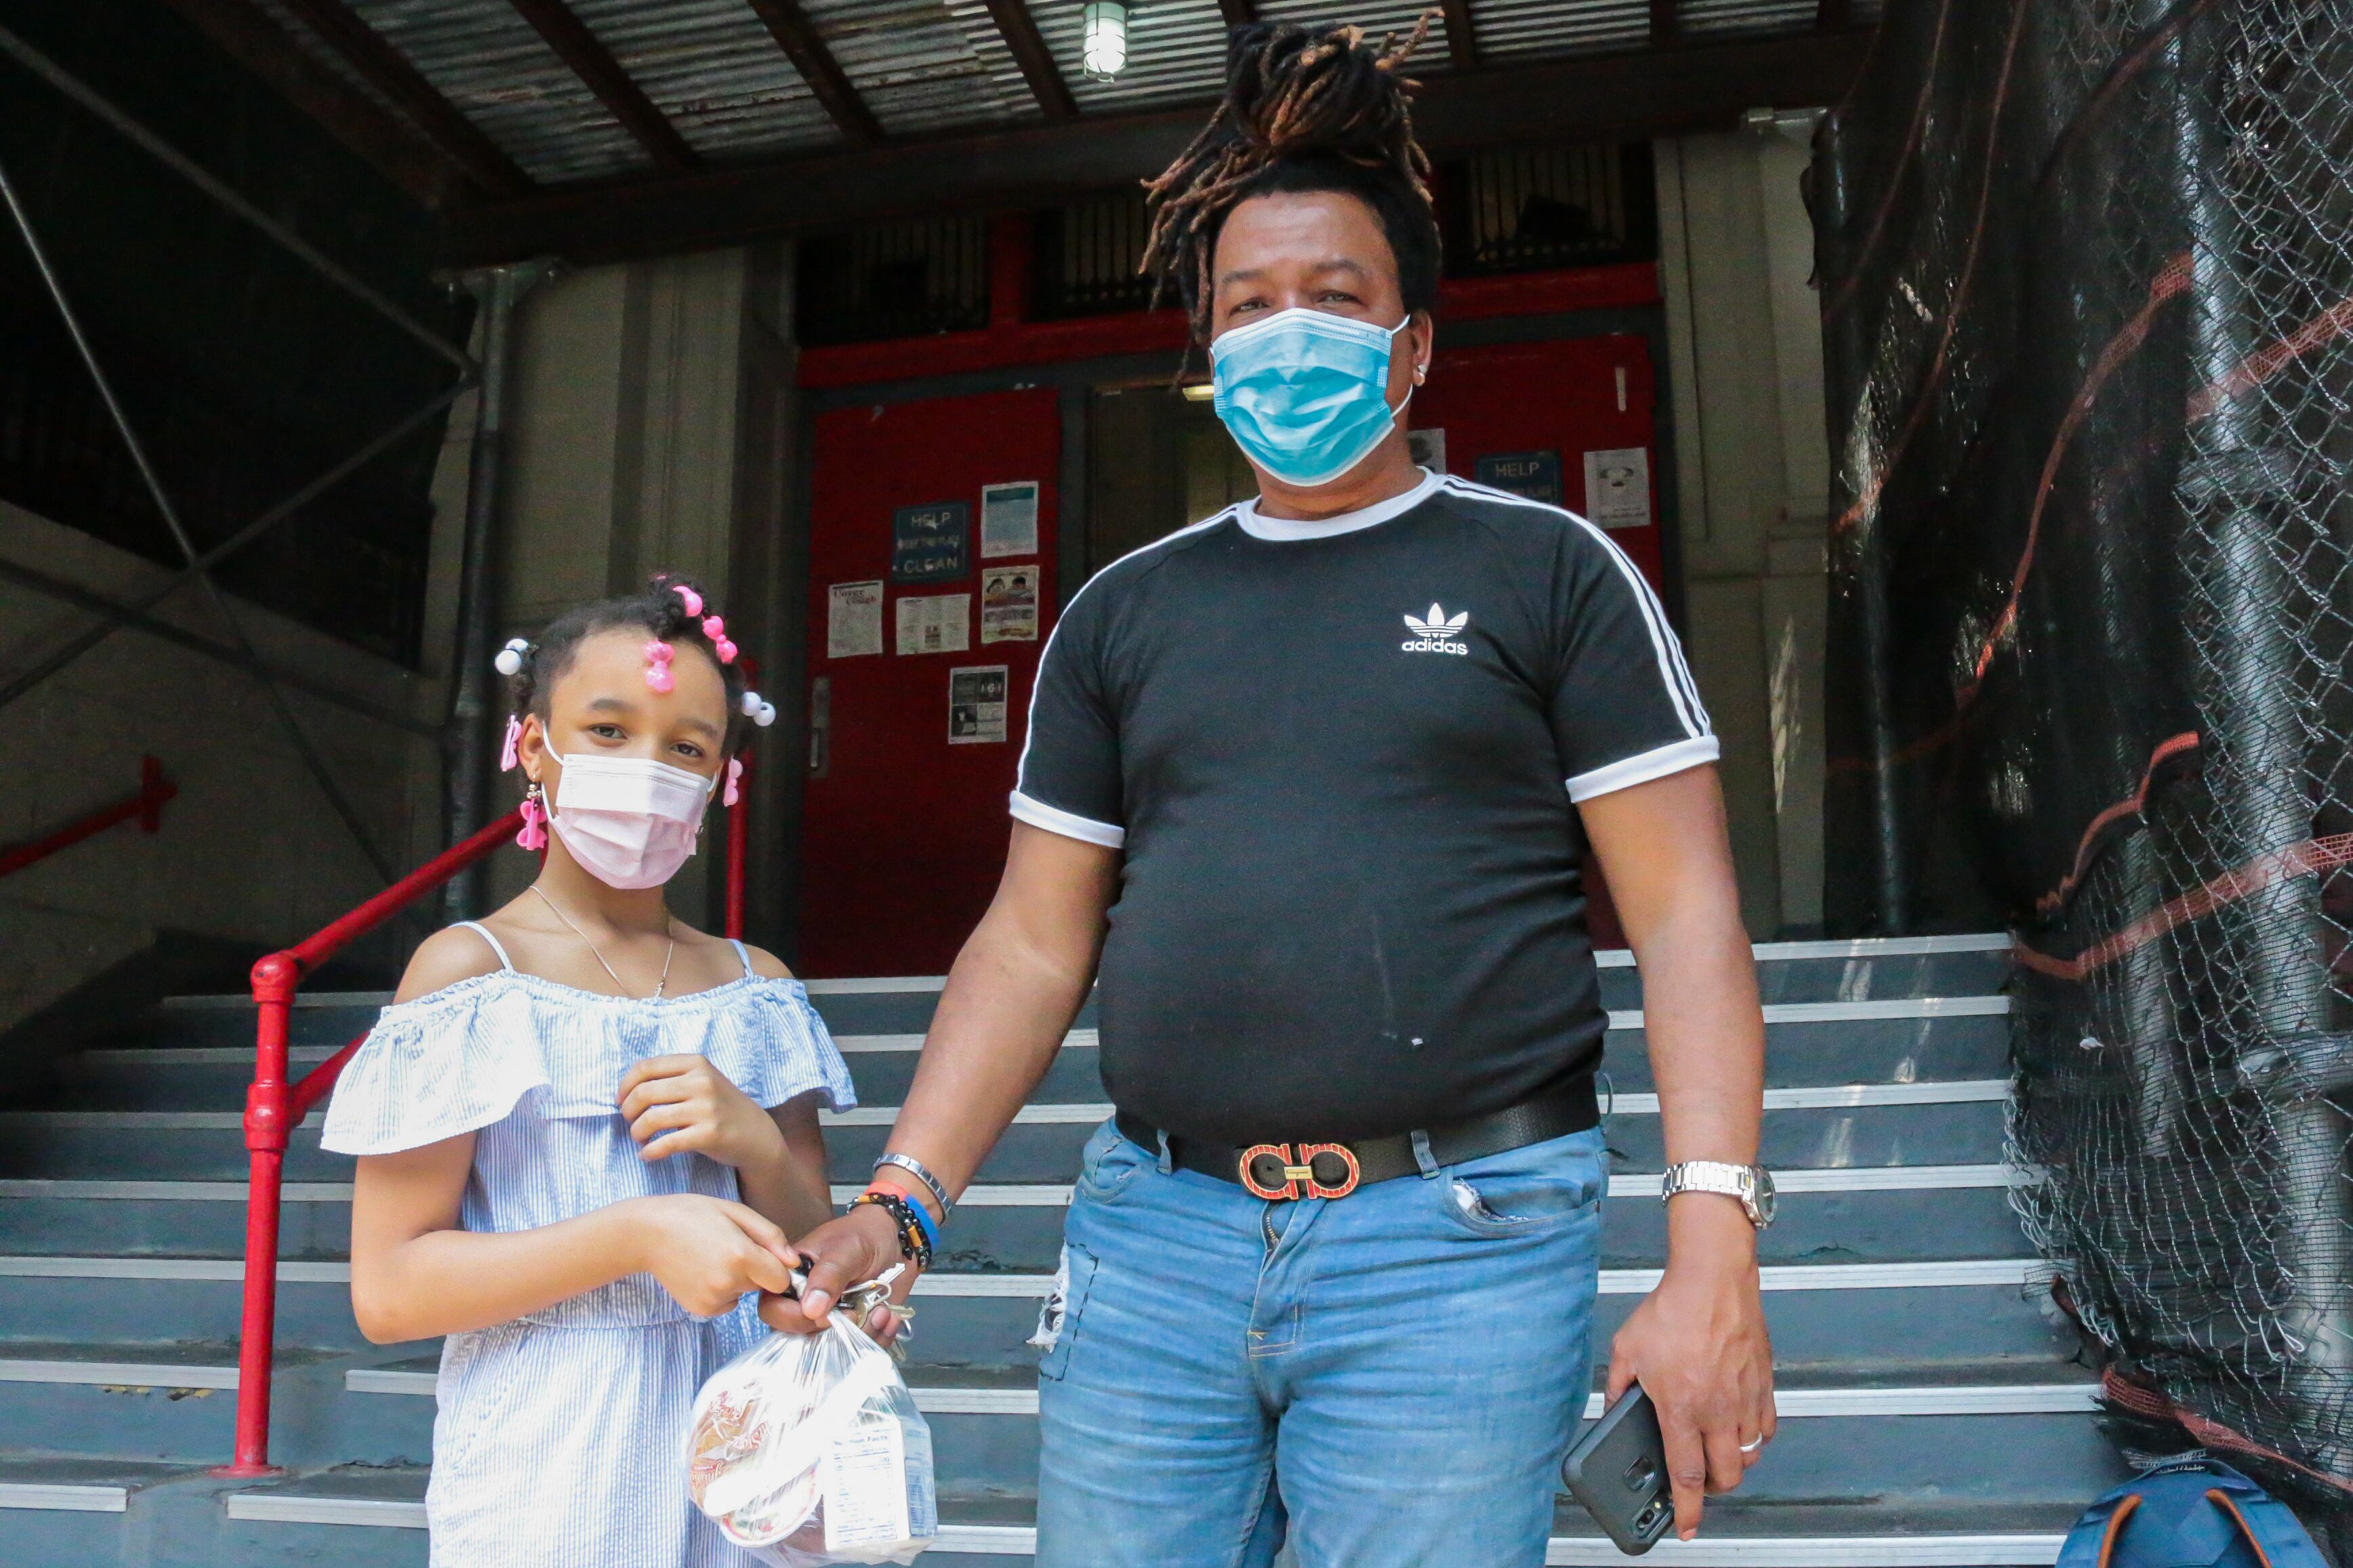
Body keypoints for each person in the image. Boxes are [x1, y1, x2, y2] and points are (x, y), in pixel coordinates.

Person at [782, 19, 1776, 1567]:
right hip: (1152, 1240)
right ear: (1203, 344)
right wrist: (902, 1199)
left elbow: (1687, 917)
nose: (1287, 331)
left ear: (1414, 345)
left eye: (1335, 298)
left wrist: (1709, 1240)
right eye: (1249, 306)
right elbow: (1034, 941)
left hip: (1458, 1239)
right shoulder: (1121, 612)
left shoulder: (1546, 572)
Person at [324, 576, 861, 1567]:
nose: (647, 769)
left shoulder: (758, 990)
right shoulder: (470, 977)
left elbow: (809, 1247)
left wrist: (750, 1135)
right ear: (533, 746)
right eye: (608, 730)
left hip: (749, 1467)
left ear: (724, 778)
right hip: (549, 1476)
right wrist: (634, 1232)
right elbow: (391, 1289)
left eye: (687, 747)